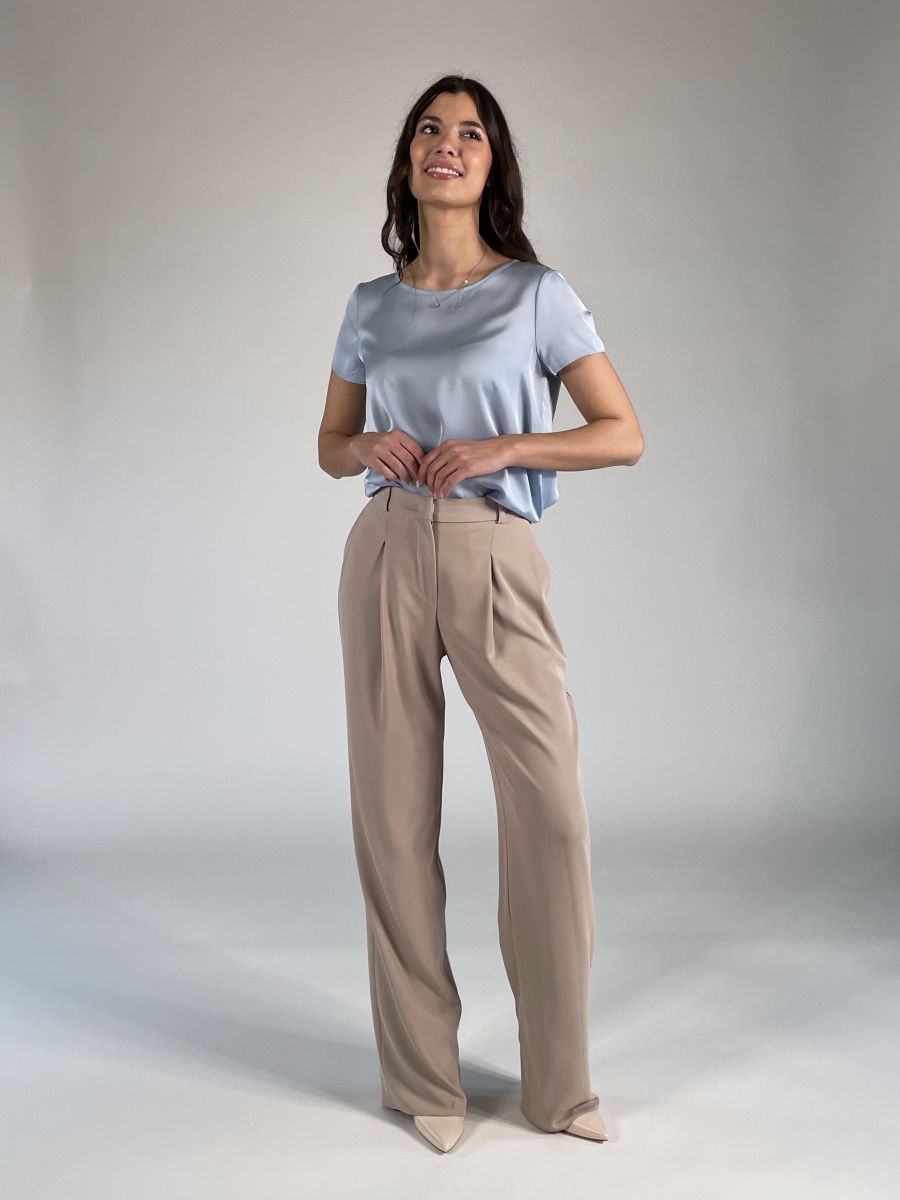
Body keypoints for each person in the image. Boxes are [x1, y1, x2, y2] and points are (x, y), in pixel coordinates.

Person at [318, 74, 643, 1153]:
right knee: (393, 816)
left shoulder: (538, 294)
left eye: (468, 132)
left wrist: (509, 445)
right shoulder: (370, 305)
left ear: (492, 163)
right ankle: (424, 1078)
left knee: (550, 812)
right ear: (408, 159)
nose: (445, 144)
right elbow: (329, 445)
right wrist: (362, 447)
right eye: (429, 128)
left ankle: (561, 1087)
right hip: (384, 548)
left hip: (493, 546)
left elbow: (621, 432)